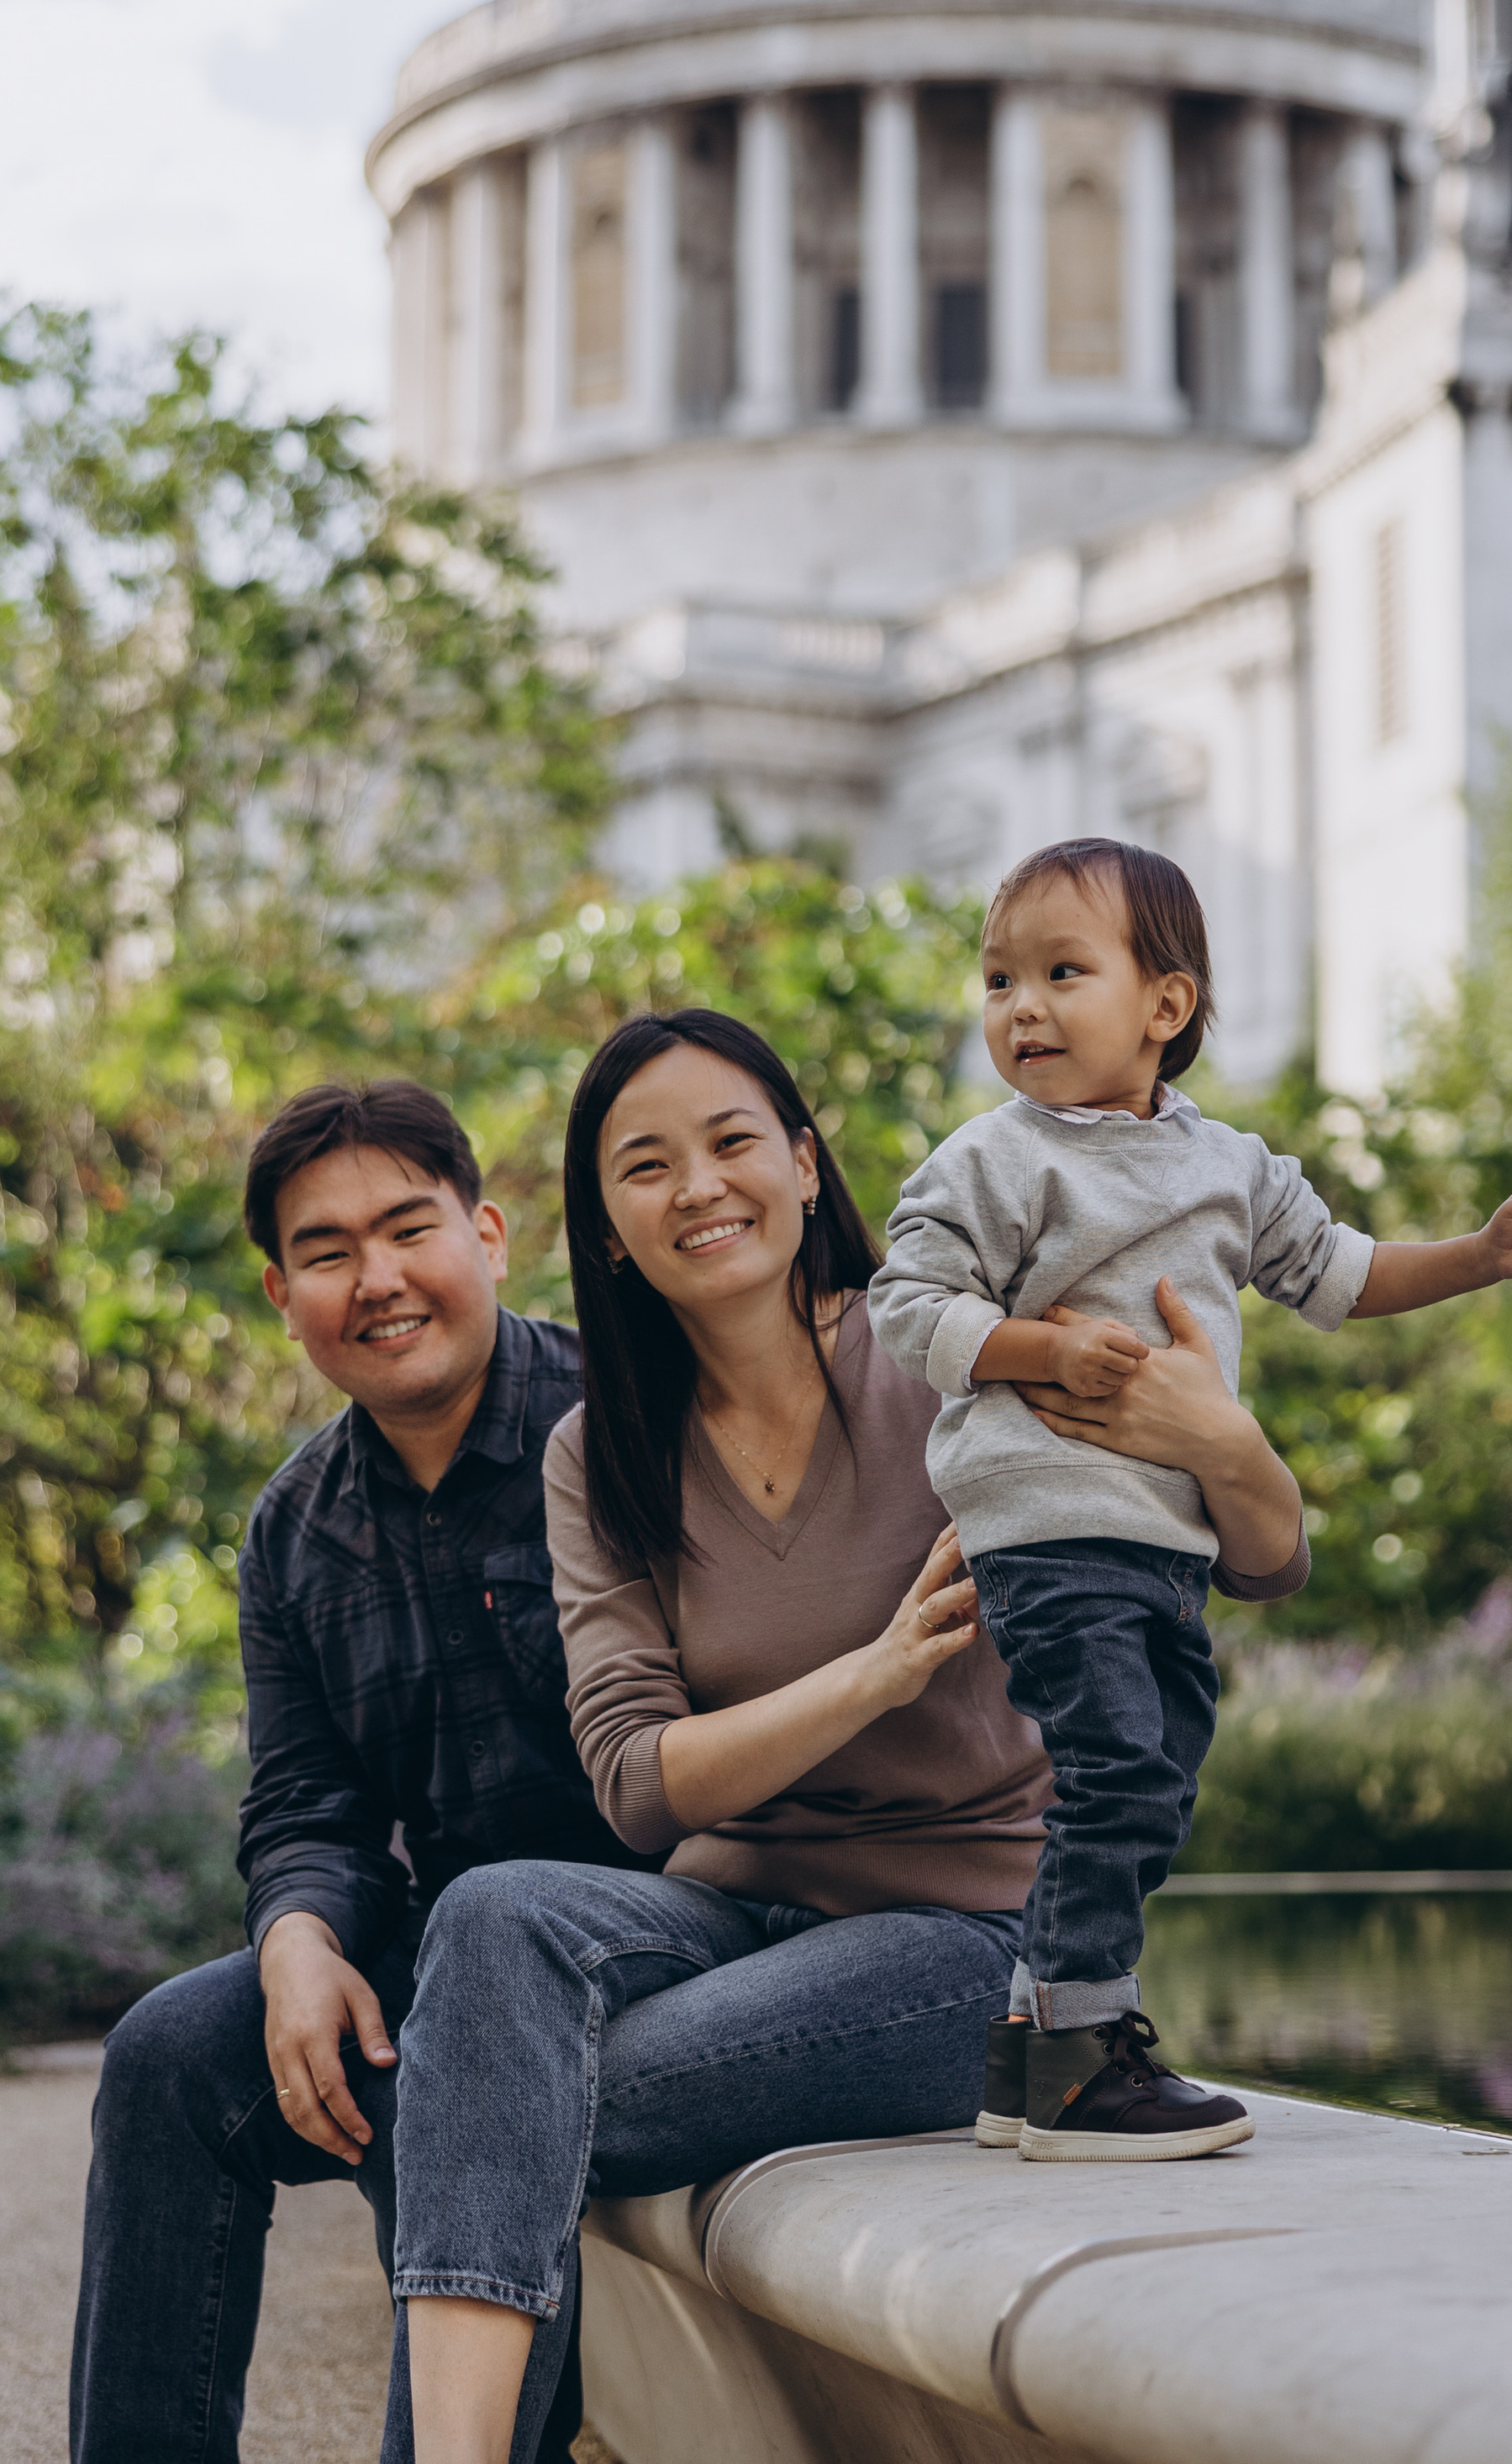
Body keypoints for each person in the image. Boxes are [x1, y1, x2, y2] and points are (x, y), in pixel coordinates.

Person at [383, 1005, 1310, 2464]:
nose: (699, 1185)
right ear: (609, 1229)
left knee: (490, 2086)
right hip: (717, 1907)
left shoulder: (957, 1362)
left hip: (958, 1941)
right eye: (645, 1165)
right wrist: (872, 1677)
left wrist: (1226, 1442)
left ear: (808, 1169)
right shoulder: (599, 1451)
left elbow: (1259, 1559)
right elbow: (635, 1789)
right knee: (493, 1920)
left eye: (733, 1141)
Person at [869, 835, 1512, 2162]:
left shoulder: (1234, 1165)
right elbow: (902, 1304)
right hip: (1046, 1516)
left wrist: (1482, 1256)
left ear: (1165, 1004)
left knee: (1152, 1767)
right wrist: (1038, 1352)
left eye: (1060, 973)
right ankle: (1086, 2059)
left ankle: (1025, 2055)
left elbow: (1343, 1273)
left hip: (1161, 1535)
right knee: (1121, 1769)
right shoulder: (993, 1160)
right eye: (998, 980)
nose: (1020, 1008)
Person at [70, 1077, 651, 2464]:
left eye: (408, 1229)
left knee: (466, 2003)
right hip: (449, 1943)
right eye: (327, 1253)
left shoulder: (631, 1423)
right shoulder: (293, 1530)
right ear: (282, 1293)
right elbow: (305, 1800)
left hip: (661, 1932)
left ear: (490, 1234)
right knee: (168, 2057)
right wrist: (297, 1937)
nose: (376, 1279)